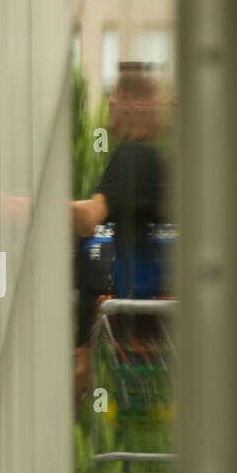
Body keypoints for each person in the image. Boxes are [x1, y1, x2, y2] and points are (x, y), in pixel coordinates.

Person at [71, 63, 172, 403]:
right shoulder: (151, 161)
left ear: (130, 102)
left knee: (88, 247)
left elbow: (89, 217)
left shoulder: (132, 155)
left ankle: (80, 364)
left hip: (136, 310)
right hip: (146, 318)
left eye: (114, 95)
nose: (110, 103)